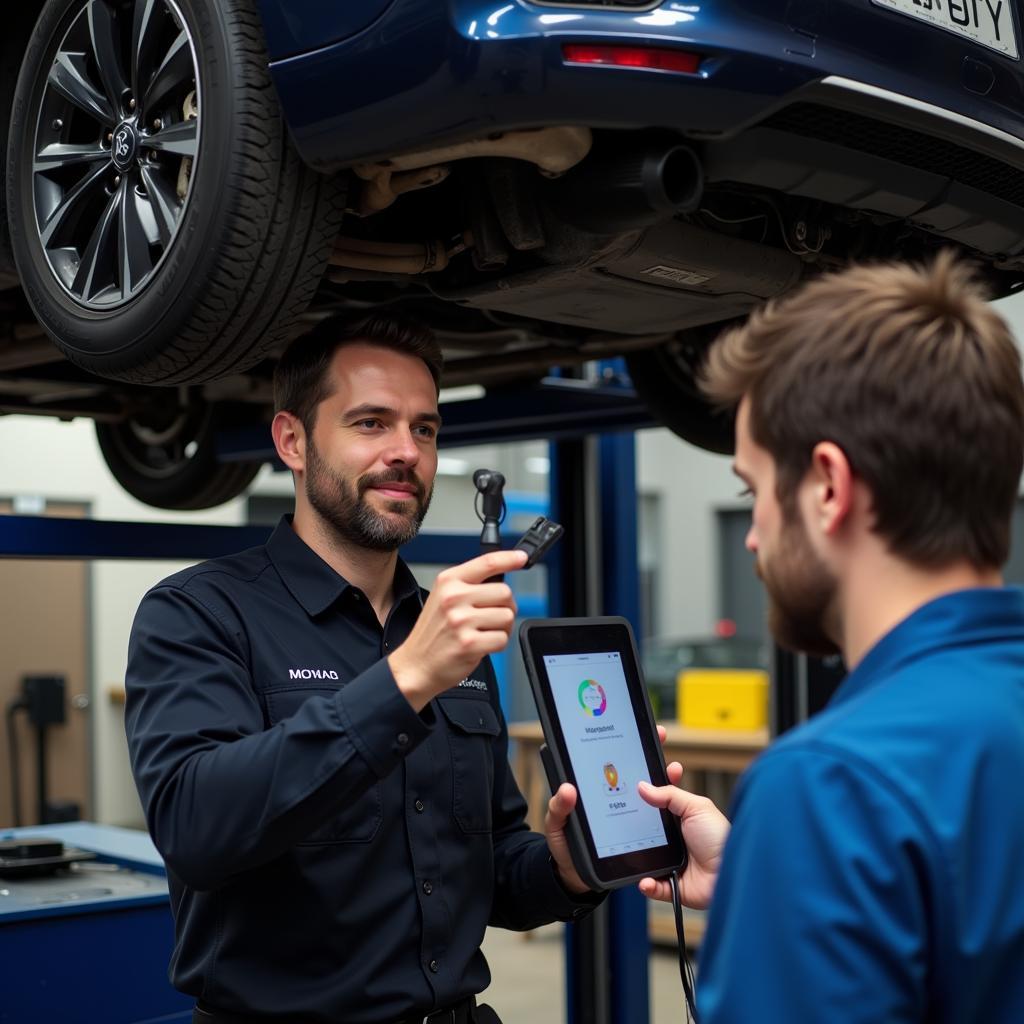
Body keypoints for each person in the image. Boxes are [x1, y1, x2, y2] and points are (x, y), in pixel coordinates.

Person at [124, 315, 603, 1024]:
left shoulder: (445, 632)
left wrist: (566, 865)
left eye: (426, 430)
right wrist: (406, 679)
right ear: (292, 440)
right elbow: (196, 828)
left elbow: (489, 869)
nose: (406, 452)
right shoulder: (199, 613)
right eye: (371, 423)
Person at [638, 253, 1024, 1022]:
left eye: (752, 492)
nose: (750, 537)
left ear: (826, 487)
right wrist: (775, 880)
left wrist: (803, 853)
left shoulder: (832, 786)